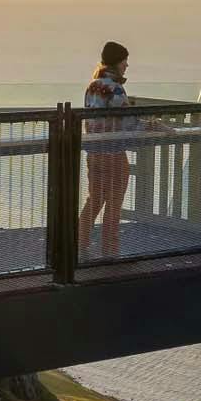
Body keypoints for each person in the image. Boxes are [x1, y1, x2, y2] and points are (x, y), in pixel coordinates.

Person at [79, 41, 134, 259]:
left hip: (94, 153)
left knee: (94, 200)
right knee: (114, 204)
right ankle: (110, 251)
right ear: (117, 62)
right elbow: (128, 121)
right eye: (125, 61)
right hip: (113, 153)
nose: (127, 65)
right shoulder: (115, 88)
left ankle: (78, 244)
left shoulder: (93, 85)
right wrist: (155, 125)